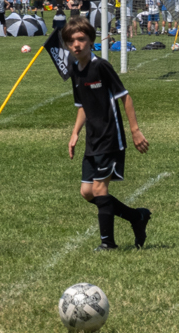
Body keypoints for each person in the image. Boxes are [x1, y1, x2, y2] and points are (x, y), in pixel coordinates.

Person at [63, 18, 151, 252]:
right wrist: (75, 133)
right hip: (92, 139)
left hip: (111, 137)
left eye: (81, 39)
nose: (76, 45)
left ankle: (108, 244)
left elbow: (125, 96)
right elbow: (82, 106)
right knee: (87, 192)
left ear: (91, 40)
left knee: (100, 190)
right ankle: (136, 217)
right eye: (71, 41)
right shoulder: (75, 70)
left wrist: (135, 131)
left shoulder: (101, 66)